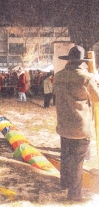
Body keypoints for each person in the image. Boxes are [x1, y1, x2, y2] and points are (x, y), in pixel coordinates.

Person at [54, 45, 99, 201]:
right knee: (77, 161)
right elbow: (97, 98)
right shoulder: (86, 78)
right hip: (80, 127)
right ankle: (74, 194)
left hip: (64, 125)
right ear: (81, 62)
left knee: (66, 157)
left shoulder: (58, 76)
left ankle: (64, 184)